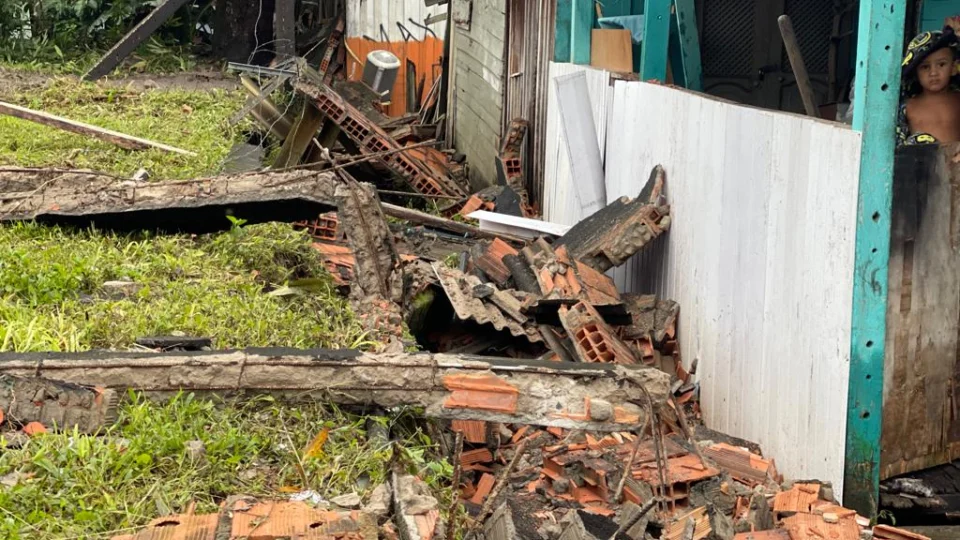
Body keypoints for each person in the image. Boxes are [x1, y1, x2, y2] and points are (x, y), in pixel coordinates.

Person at [897, 27, 960, 146]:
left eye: (941, 64)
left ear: (953, 68)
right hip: (920, 163)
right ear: (916, 73)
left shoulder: (958, 100)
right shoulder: (908, 107)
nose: (933, 73)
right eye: (925, 67)